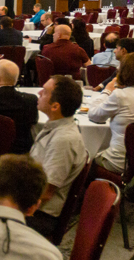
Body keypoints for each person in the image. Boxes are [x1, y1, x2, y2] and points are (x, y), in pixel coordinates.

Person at [26, 76, 89, 238]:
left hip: (39, 215)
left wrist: (10, 204)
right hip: (32, 202)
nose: (39, 93)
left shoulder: (63, 140)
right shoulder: (55, 128)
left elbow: (46, 192)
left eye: (45, 92)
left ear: (55, 106)